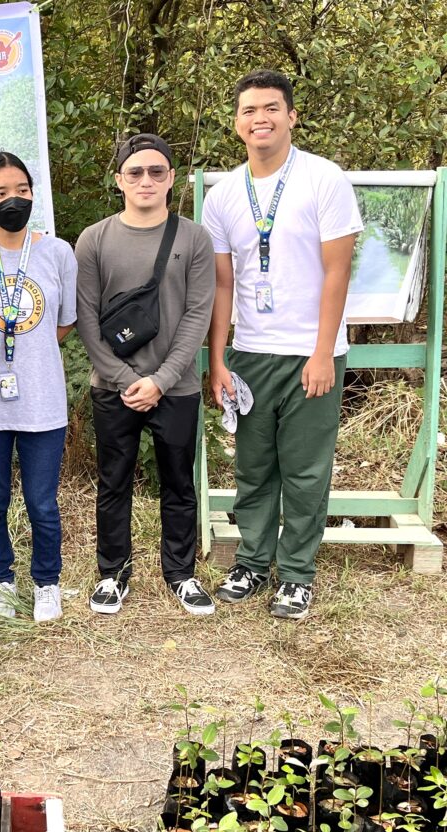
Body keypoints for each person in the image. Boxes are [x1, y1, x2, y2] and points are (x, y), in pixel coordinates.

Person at [202, 70, 361, 620]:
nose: (260, 118)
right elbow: (223, 284)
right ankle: (252, 561)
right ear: (237, 123)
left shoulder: (324, 179)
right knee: (252, 467)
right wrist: (218, 359)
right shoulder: (223, 196)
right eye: (249, 110)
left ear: (291, 116)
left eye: (271, 107)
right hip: (249, 353)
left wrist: (323, 352)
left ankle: (296, 575)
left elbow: (338, 273)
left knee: (306, 470)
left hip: (311, 354)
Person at [76, 133, 217, 616]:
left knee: (179, 484)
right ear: (119, 179)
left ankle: (181, 574)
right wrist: (122, 378)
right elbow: (87, 319)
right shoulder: (93, 239)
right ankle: (112, 574)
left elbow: (199, 314)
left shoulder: (194, 238)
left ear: (172, 178)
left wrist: (161, 378)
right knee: (113, 482)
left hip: (176, 386)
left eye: (157, 171)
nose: (146, 180)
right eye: (135, 172)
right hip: (112, 386)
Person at [0, 152, 77, 623]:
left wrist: (27, 355)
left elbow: (65, 322)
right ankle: (1, 583)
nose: (15, 201)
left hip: (43, 399)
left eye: (23, 191)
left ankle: (47, 581)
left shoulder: (58, 252)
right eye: (2, 193)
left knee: (42, 502)